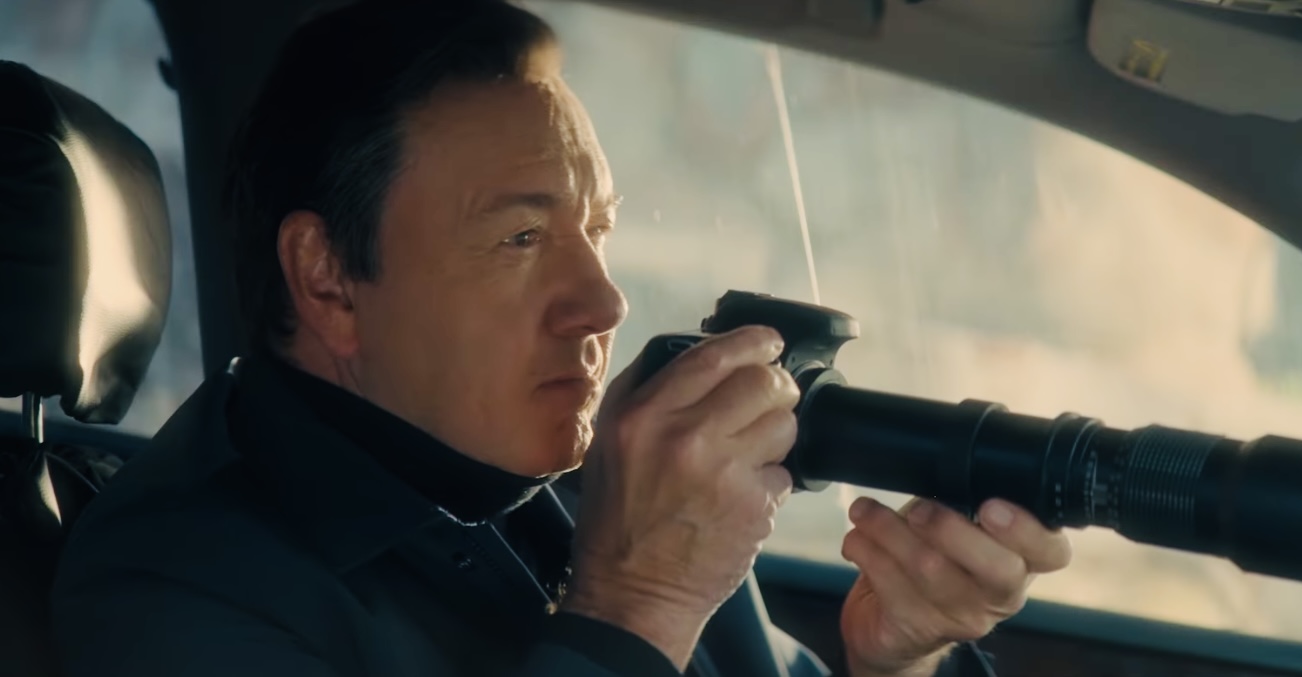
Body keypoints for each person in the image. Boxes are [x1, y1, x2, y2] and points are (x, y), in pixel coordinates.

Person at [50, 1, 1073, 675]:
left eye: (598, 230)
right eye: (522, 237)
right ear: (328, 278)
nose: (605, 301)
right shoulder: (170, 594)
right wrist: (637, 602)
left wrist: (896, 660)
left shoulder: (594, 486)